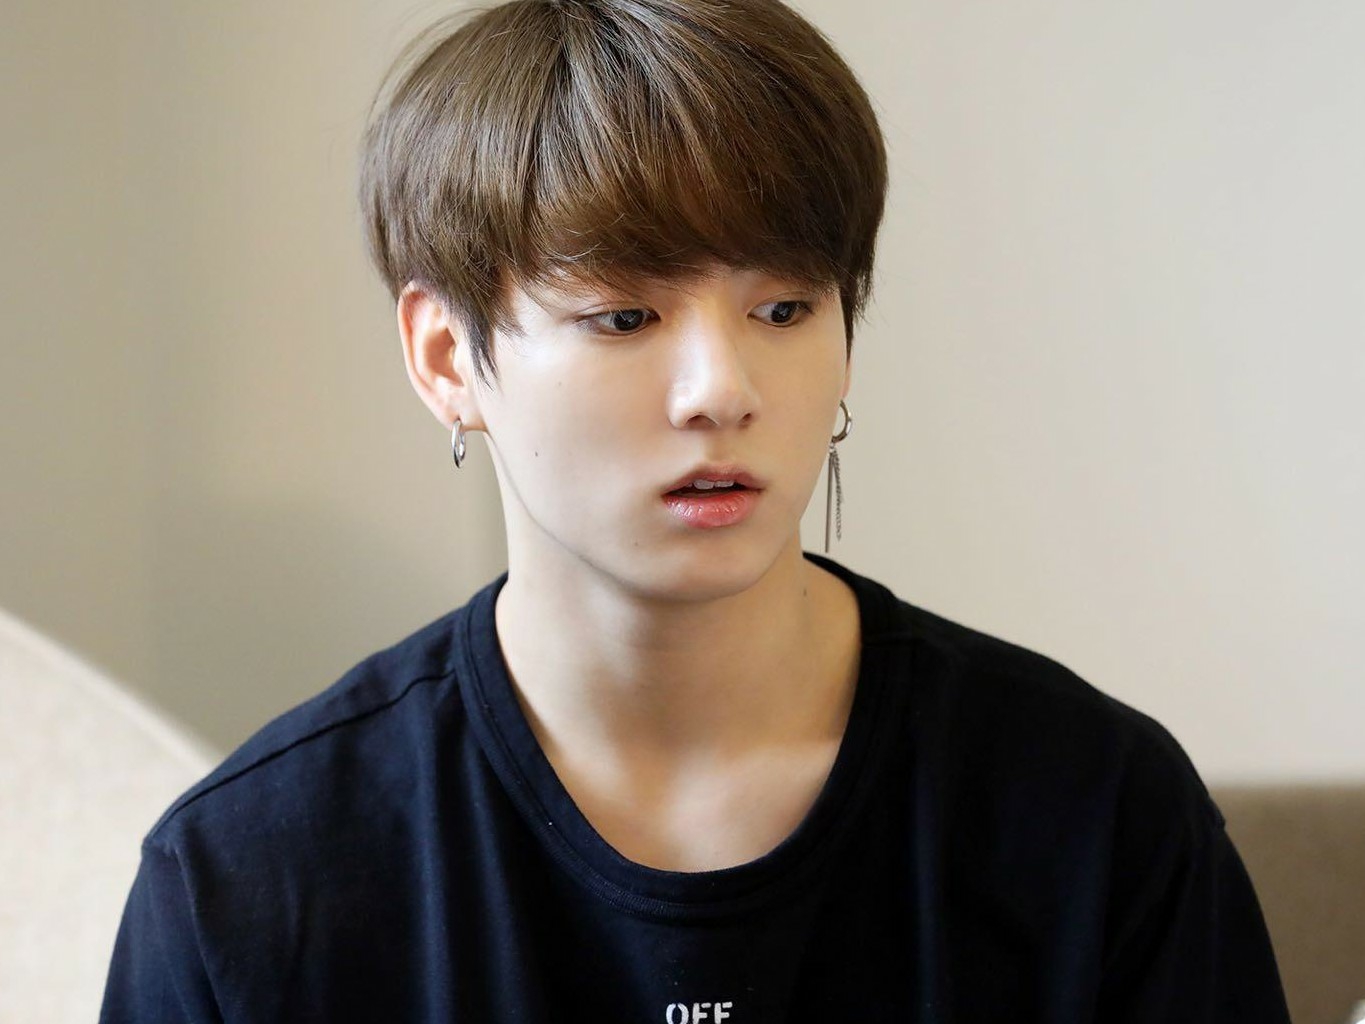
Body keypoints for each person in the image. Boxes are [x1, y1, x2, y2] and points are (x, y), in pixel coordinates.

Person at [100, 0, 1293, 1020]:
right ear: (446, 356)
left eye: (784, 310)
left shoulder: (1093, 813)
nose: (722, 390)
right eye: (624, 317)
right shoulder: (252, 877)